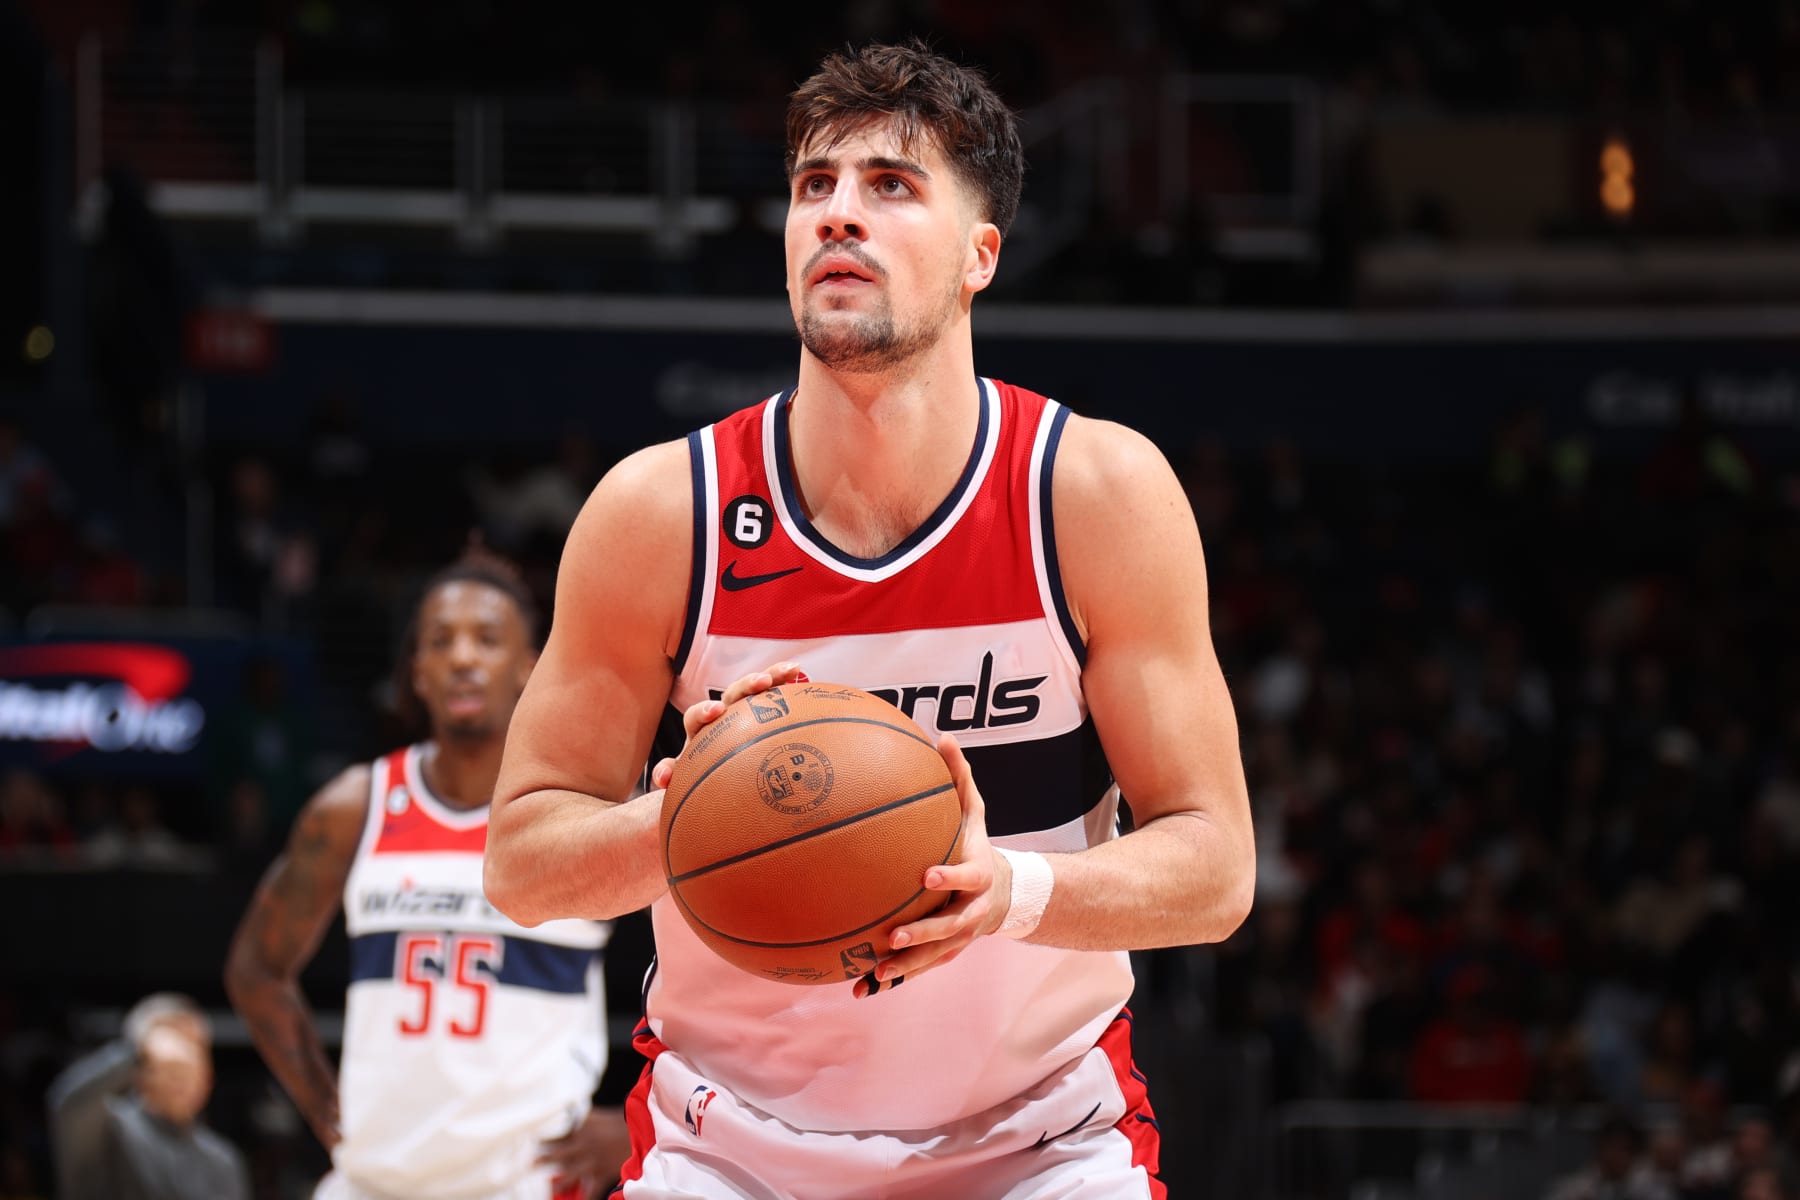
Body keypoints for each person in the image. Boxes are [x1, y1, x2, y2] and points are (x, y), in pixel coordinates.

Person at [484, 40, 1254, 1199]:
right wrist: (684, 814)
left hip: (1037, 1140)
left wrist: (1013, 892)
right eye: (815, 186)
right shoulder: (662, 514)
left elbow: (1215, 866)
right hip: (727, 1142)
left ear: (979, 256)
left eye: (891, 186)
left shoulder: (1090, 493)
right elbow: (522, 865)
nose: (840, 214)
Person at [225, 549, 628, 1199]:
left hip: (526, 1182)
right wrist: (329, 1118)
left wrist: (639, 1121)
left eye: (488, 639)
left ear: (530, 666)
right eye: (441, 641)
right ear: (417, 672)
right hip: (373, 1179)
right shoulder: (356, 806)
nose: (464, 657)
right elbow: (255, 971)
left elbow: (707, 976)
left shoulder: (583, 810)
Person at [45, 992, 251, 1200]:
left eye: (194, 1051)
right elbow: (68, 1105)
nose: (182, 1067)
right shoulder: (109, 1131)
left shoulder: (223, 1160)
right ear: (141, 1068)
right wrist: (133, 1052)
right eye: (168, 1056)